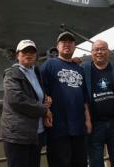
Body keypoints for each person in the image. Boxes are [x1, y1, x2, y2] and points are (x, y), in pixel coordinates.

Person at [40, 31, 92, 167]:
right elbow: (39, 90)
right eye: (63, 42)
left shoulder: (79, 69)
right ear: (57, 46)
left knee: (80, 163)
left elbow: (84, 98)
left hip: (79, 129)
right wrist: (45, 112)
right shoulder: (49, 64)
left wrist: (88, 120)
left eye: (70, 42)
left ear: (75, 46)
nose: (67, 44)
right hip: (58, 129)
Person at [1, 39, 52, 167]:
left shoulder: (36, 72)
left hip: (36, 134)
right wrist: (45, 110)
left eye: (32, 52)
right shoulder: (11, 74)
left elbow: (38, 93)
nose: (28, 54)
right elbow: (17, 100)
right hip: (18, 135)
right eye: (24, 52)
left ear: (36, 55)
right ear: (17, 55)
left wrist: (46, 97)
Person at [82, 39, 114, 167]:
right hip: (94, 125)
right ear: (91, 52)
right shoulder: (84, 69)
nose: (99, 52)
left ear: (108, 52)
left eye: (103, 49)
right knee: (95, 163)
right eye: (96, 49)